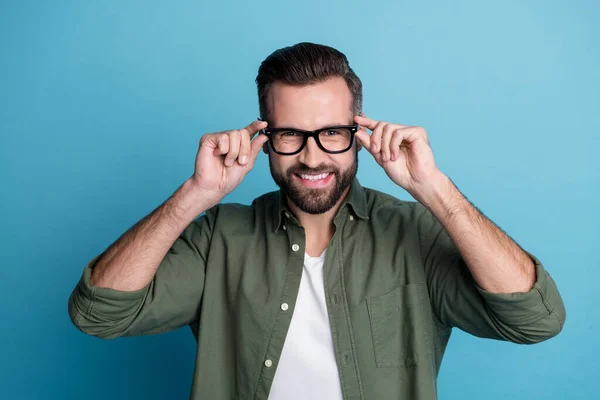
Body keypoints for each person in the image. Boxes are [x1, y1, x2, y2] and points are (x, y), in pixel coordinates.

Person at [68, 42, 566, 400]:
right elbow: (98, 315)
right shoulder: (218, 236)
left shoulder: (415, 231)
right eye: (290, 134)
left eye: (331, 132)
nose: (311, 157)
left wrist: (434, 189)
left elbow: (535, 320)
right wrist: (195, 195)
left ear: (359, 132)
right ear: (262, 135)